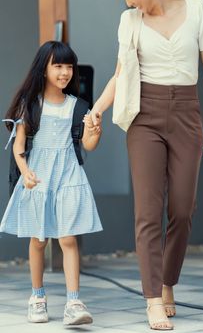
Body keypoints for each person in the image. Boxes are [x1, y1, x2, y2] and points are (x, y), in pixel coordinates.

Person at [89, 0, 203, 330]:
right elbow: (121, 75)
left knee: (182, 208)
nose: (126, 2)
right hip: (144, 117)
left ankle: (167, 283)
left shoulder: (197, 10)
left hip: (187, 114)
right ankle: (152, 300)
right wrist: (98, 110)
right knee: (148, 210)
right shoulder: (129, 22)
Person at [0, 41, 103, 325]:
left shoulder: (79, 106)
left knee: (68, 238)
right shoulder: (30, 105)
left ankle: (73, 301)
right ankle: (37, 297)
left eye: (69, 66)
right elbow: (19, 146)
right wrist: (25, 171)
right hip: (39, 177)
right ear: (43, 69)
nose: (65, 72)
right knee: (39, 239)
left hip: (69, 175)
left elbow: (89, 145)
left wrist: (95, 129)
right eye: (58, 65)